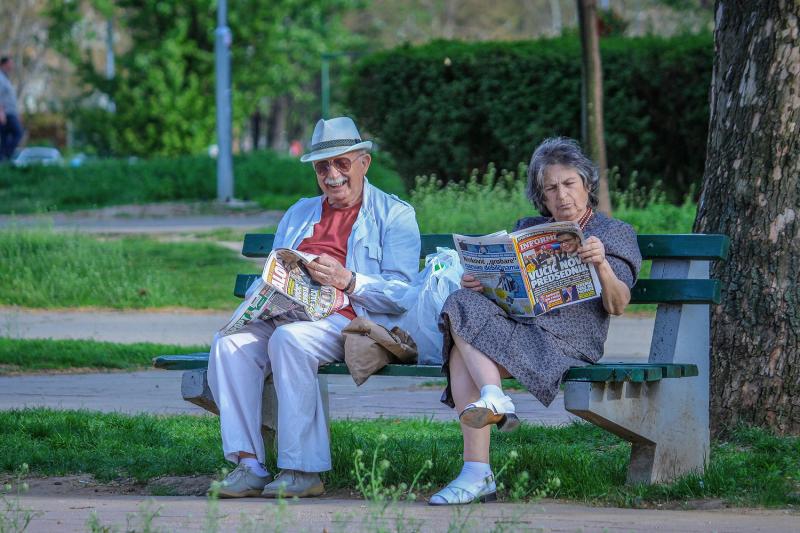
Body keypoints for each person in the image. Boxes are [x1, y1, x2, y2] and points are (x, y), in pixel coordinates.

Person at [208, 117, 421, 499]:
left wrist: (348, 280)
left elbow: (404, 294)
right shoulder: (299, 212)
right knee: (229, 344)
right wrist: (265, 296)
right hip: (291, 314)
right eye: (323, 166)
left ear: (363, 164)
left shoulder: (395, 215)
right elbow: (275, 269)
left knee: (290, 341)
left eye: (342, 163)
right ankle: (249, 464)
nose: (332, 174)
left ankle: (303, 470)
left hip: (351, 320)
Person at [429, 137, 641, 505]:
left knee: (461, 353)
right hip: (521, 329)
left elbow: (618, 304)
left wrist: (602, 264)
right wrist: (482, 283)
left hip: (568, 343)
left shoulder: (613, 233)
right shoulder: (529, 228)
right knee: (460, 301)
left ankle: (477, 469)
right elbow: (507, 291)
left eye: (569, 184)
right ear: (541, 198)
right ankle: (493, 401)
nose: (562, 196)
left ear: (586, 184)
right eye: (550, 189)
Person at [0, 57, 23, 162]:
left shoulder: (6, 78)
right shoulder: (0, 78)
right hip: (6, 113)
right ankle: (6, 154)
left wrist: (17, 114)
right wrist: (1, 112)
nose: (12, 66)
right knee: (18, 132)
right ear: (4, 64)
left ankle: (3, 161)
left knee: (5, 137)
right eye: (10, 63)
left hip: (11, 112)